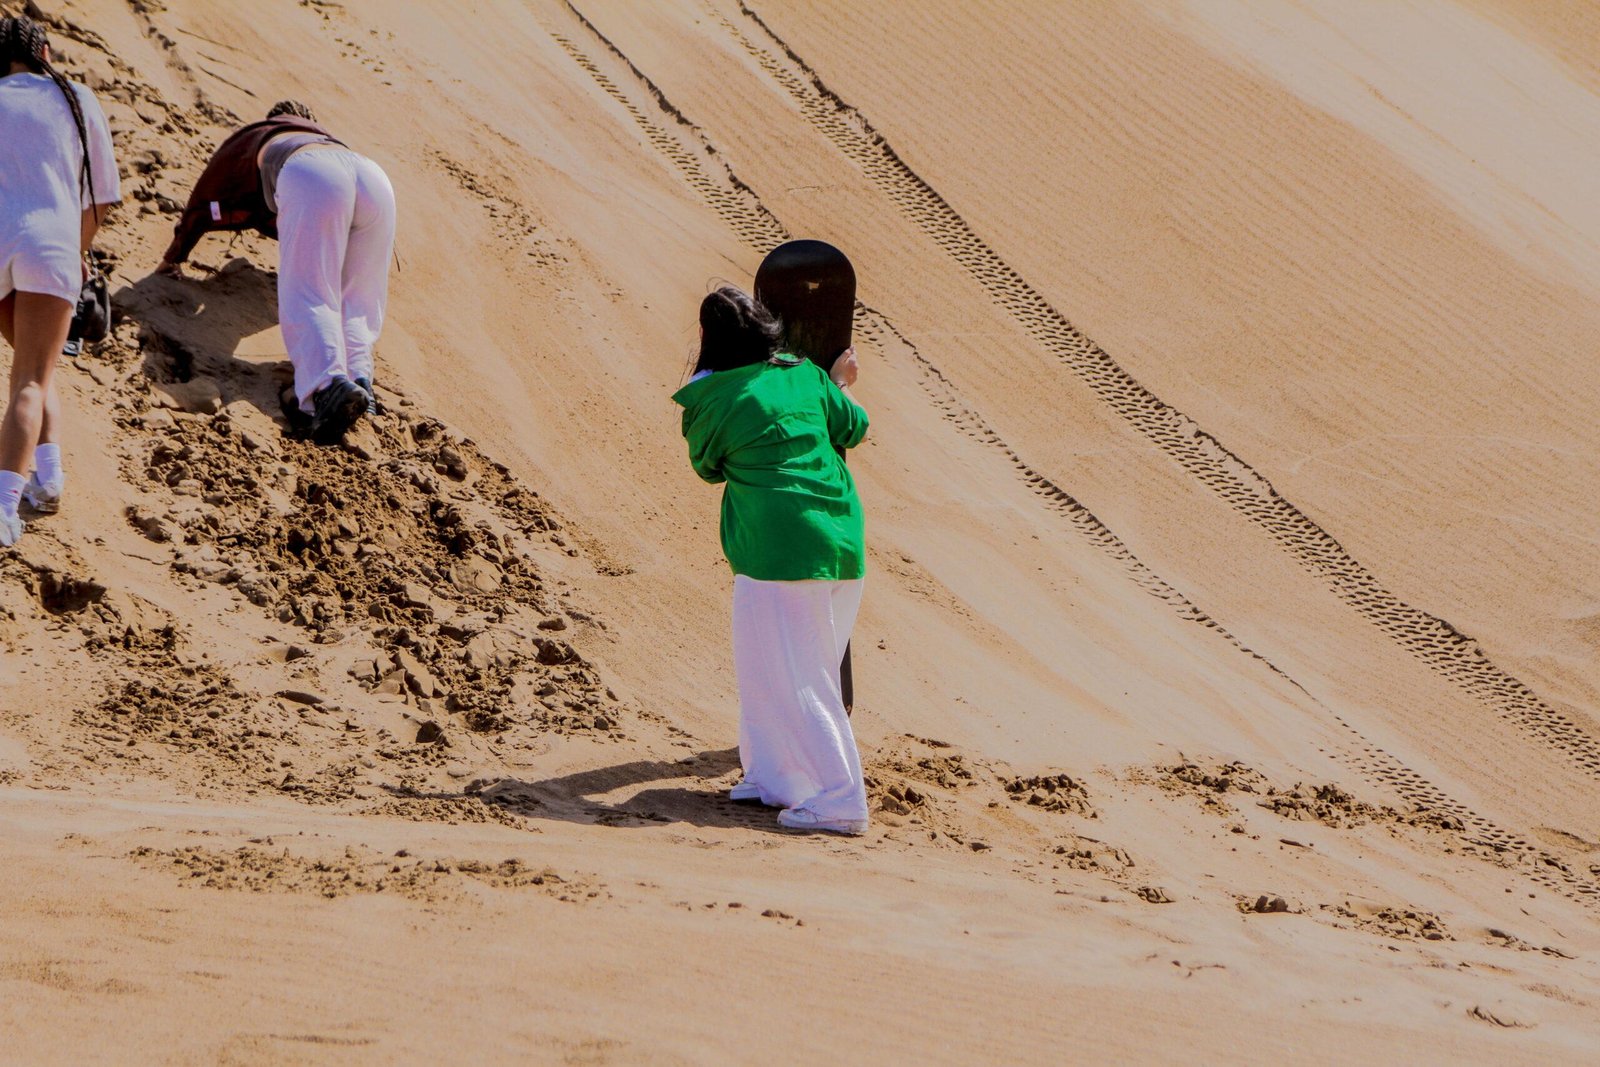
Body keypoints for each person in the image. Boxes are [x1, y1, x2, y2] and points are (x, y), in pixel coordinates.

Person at [672, 286, 872, 835]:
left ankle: (841, 798)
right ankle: (773, 776)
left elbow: (709, 469)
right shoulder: (804, 374)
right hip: (839, 540)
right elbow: (853, 427)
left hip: (778, 552)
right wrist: (836, 386)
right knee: (767, 665)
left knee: (800, 678)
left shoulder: (712, 399)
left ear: (708, 339)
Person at [157, 100, 394, 442]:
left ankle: (328, 386)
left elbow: (205, 195)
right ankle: (361, 382)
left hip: (312, 174)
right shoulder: (326, 138)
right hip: (374, 177)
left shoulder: (263, 134)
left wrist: (174, 256)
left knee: (309, 290)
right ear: (311, 121)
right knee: (358, 296)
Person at [0, 15, 120, 548]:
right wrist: (76, 253)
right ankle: (7, 507)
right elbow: (102, 200)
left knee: (31, 369)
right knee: (31, 375)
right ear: (44, 52)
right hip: (51, 245)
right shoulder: (76, 98)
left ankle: (48, 480)